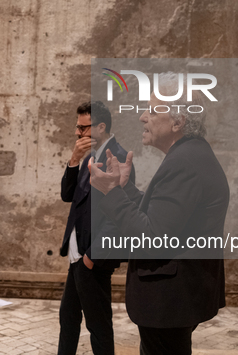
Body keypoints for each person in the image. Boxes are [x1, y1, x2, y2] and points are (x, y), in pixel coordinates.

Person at [89, 73, 230, 355]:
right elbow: (166, 219)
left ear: (177, 122)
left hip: (170, 297)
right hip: (177, 295)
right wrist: (125, 189)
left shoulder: (184, 163)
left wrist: (110, 193)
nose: (142, 117)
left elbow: (152, 236)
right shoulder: (190, 155)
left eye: (152, 111)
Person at [58, 101, 135, 355]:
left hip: (92, 256)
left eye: (83, 127)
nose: (78, 132)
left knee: (98, 324)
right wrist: (73, 159)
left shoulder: (119, 157)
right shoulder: (90, 154)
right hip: (77, 252)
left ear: (101, 126)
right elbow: (68, 195)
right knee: (68, 317)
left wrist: (92, 256)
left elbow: (119, 213)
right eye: (77, 127)